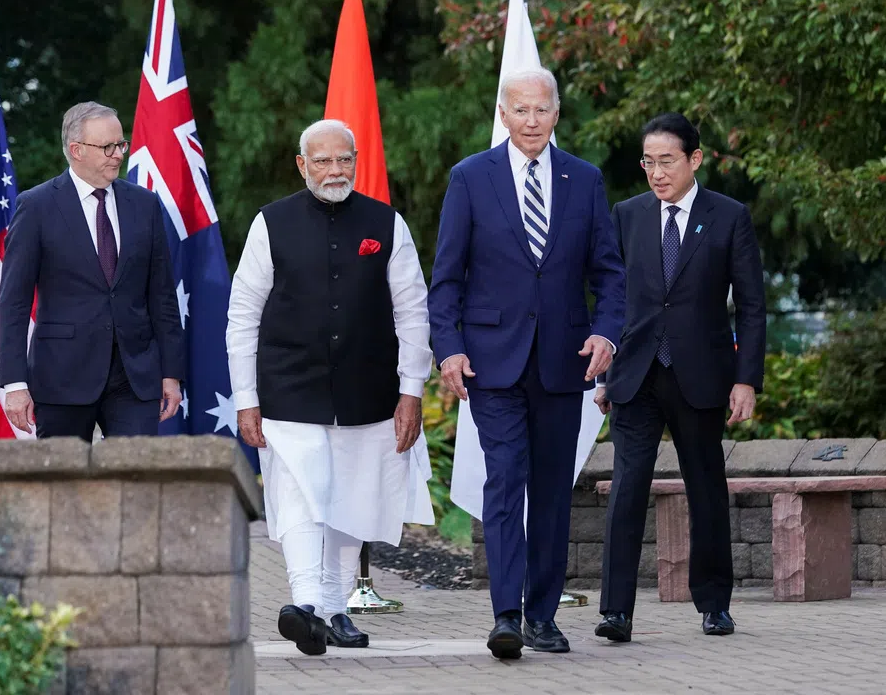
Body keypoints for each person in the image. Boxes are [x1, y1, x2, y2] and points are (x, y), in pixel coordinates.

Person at [429, 68, 626, 659]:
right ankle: (505, 615)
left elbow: (610, 276)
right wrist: (449, 348)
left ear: (557, 114)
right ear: (504, 114)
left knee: (550, 492)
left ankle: (543, 616)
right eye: (521, 110)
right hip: (492, 365)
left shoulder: (585, 181)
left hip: (565, 364)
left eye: (542, 110)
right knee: (505, 479)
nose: (532, 120)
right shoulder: (470, 178)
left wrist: (606, 335)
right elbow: (446, 280)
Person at [227, 119, 434, 656]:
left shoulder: (386, 223)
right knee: (300, 493)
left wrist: (411, 390)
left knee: (351, 499)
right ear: (302, 165)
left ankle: (335, 609)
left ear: (356, 161)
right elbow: (242, 314)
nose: (335, 170)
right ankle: (306, 604)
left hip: (370, 389)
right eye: (323, 161)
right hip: (289, 387)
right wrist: (246, 398)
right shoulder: (270, 223)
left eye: (344, 159)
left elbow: (413, 312)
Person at [593, 112, 766, 641]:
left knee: (706, 488)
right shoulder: (627, 215)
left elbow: (752, 307)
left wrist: (746, 379)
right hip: (636, 375)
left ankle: (714, 603)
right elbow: (612, 299)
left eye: (667, 161)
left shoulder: (729, 216)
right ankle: (616, 612)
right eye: (648, 161)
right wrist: (604, 372)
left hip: (701, 374)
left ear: (695, 159)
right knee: (627, 490)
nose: (656, 172)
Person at [0, 101, 184, 440]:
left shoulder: (144, 205)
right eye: (107, 147)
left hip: (134, 376)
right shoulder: (36, 206)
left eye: (121, 144)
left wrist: (171, 373)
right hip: (61, 376)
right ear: (76, 150)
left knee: (133, 480)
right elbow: (14, 302)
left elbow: (162, 296)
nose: (118, 154)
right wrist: (15, 384)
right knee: (61, 486)